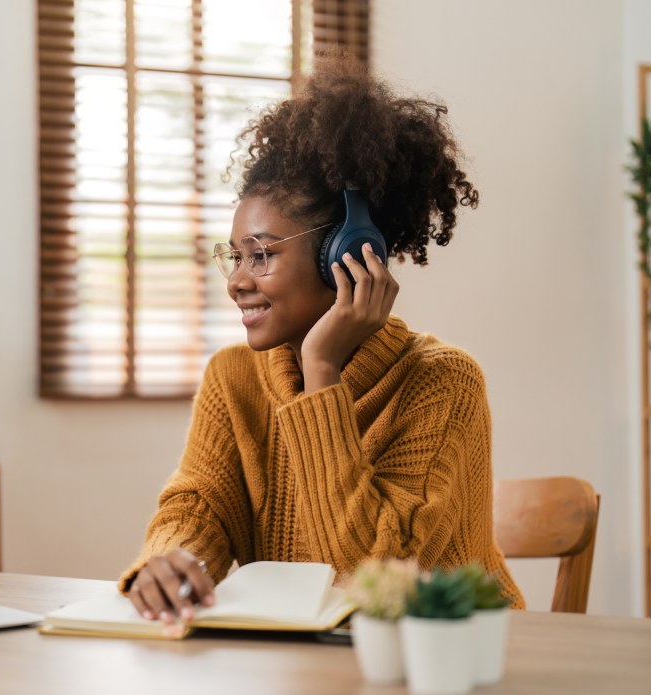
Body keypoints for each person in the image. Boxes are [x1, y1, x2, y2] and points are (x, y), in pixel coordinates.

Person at [119, 56, 524, 624]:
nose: (237, 281)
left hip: (441, 660)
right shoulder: (233, 377)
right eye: (234, 257)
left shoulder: (443, 382)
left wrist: (321, 369)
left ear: (350, 253)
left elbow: (374, 574)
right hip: (307, 668)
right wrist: (172, 559)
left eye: (261, 255)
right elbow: (201, 503)